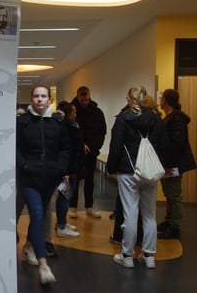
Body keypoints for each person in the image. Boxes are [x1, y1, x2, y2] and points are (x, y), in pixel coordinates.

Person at [106, 85, 166, 269]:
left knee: (130, 214)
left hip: (128, 171)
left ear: (130, 98)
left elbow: (116, 146)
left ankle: (127, 255)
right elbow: (164, 145)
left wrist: (111, 168)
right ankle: (149, 256)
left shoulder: (123, 119)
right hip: (150, 172)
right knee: (149, 214)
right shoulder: (156, 119)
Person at [17, 85, 70, 285]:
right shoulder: (22, 122)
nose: (40, 99)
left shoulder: (57, 122)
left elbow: (65, 148)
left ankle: (29, 246)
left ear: (49, 99)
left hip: (50, 177)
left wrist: (60, 168)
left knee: (39, 217)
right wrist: (24, 165)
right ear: (31, 99)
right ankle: (43, 265)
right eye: (36, 96)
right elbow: (15, 148)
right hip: (29, 177)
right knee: (38, 215)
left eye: (43, 96)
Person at [158, 89, 196, 239]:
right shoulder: (170, 117)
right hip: (169, 163)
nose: (160, 100)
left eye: (162, 98)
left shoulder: (177, 120)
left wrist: (168, 165)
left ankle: (175, 226)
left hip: (173, 164)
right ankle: (169, 221)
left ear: (166, 101)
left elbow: (176, 146)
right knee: (169, 193)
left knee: (174, 195)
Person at [69, 86, 107, 218]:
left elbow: (102, 131)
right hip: (76, 153)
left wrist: (96, 147)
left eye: (86, 99)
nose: (84, 102)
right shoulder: (72, 111)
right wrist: (80, 145)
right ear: (77, 97)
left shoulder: (97, 112)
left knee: (90, 180)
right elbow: (69, 132)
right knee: (75, 179)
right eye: (82, 100)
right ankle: (72, 207)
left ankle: (89, 206)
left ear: (89, 97)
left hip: (92, 152)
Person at [54, 101, 84, 237]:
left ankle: (62, 222)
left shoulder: (68, 127)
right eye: (74, 112)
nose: (76, 115)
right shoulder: (67, 129)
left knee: (65, 196)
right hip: (68, 169)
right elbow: (68, 150)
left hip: (71, 167)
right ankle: (61, 225)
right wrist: (65, 171)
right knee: (64, 196)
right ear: (68, 114)